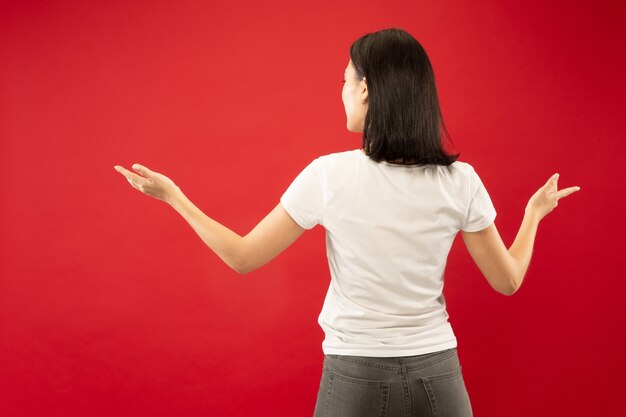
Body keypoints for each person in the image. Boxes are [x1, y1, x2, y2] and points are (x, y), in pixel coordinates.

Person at [114, 27, 581, 417]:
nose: (340, 92)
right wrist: (533, 214)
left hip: (356, 376)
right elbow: (508, 281)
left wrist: (173, 197)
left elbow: (242, 257)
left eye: (344, 80)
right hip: (439, 378)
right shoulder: (460, 181)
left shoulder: (329, 175)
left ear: (365, 89)